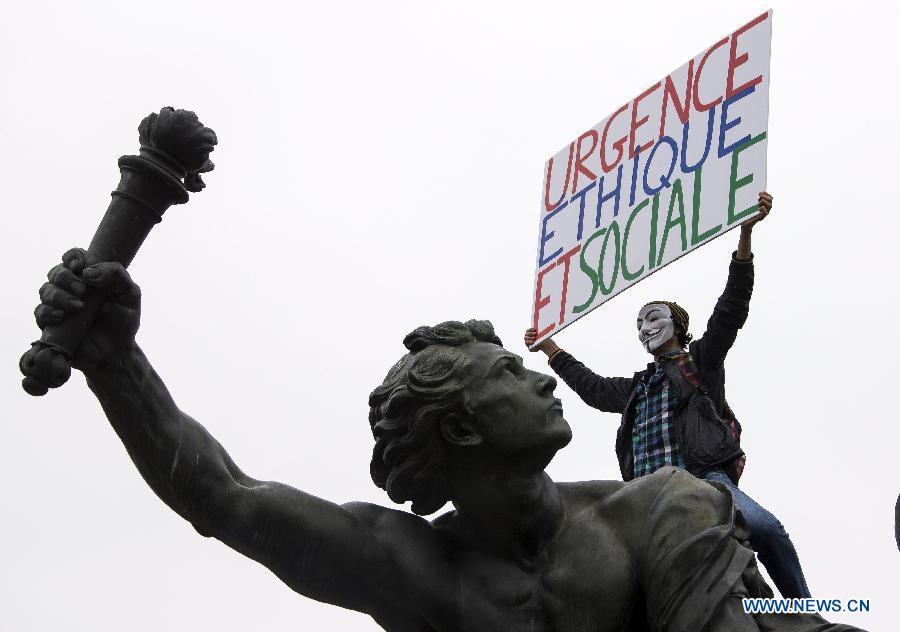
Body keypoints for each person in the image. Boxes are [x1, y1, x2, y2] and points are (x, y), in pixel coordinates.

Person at [26, 255, 858, 630]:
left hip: (712, 489)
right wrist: (113, 361)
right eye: (509, 375)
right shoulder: (412, 565)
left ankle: (809, 593)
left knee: (760, 530)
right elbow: (221, 495)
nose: (537, 381)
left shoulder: (659, 512)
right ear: (461, 427)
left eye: (528, 368)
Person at [525, 192, 812, 600]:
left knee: (765, 528)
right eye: (639, 324)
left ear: (677, 324)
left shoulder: (700, 364)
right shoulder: (635, 389)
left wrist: (744, 239)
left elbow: (730, 310)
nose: (645, 328)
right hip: (646, 495)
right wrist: (550, 348)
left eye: (653, 318)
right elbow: (592, 388)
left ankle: (805, 611)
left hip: (702, 479)